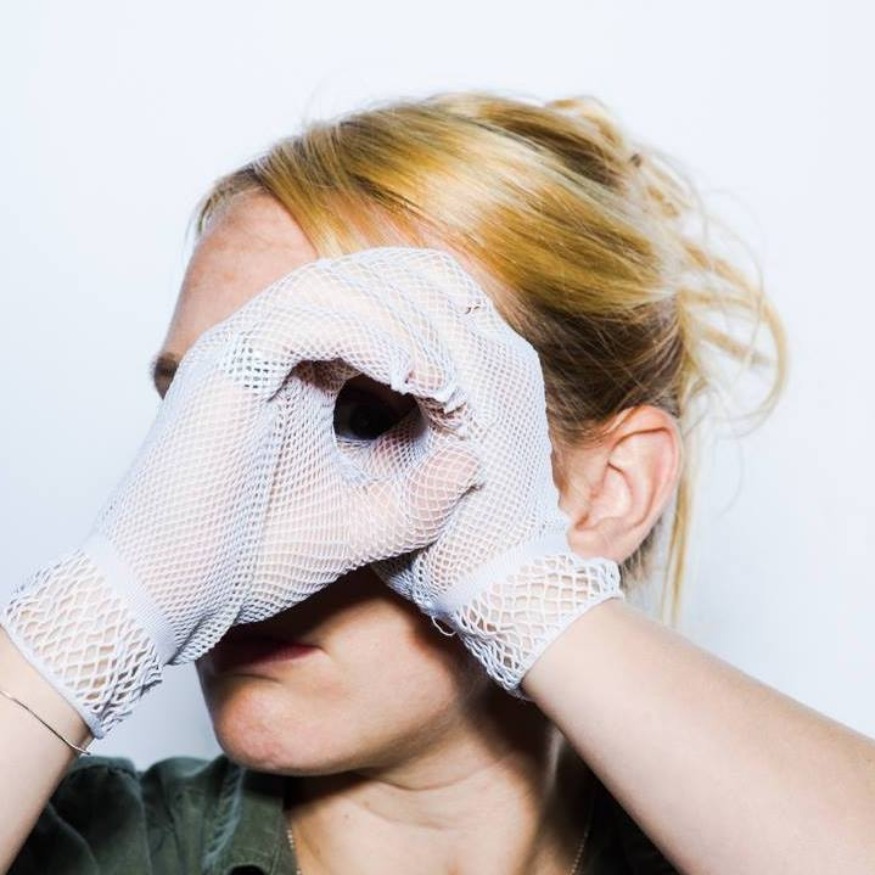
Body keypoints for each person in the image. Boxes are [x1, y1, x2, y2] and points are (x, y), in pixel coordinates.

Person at [0, 92, 872, 875]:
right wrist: (106, 607)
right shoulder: (75, 845)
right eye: (200, 422)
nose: (240, 522)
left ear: (610, 489)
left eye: (366, 416)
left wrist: (523, 592)